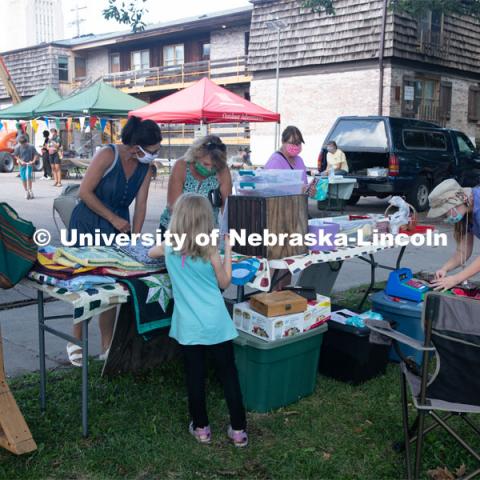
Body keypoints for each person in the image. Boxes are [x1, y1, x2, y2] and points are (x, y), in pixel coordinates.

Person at [149, 193, 248, 447]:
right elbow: (224, 283)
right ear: (207, 220)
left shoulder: (170, 246)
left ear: (178, 218)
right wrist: (228, 252)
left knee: (195, 376)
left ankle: (202, 428)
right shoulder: (211, 249)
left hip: (189, 326)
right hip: (217, 323)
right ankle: (238, 430)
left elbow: (151, 252)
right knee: (229, 375)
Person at [66, 116, 162, 367]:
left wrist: (135, 240)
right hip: (88, 221)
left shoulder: (144, 167)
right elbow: (84, 192)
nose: (154, 155)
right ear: (135, 147)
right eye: (152, 151)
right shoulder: (107, 155)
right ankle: (76, 339)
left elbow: (141, 205)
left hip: (118, 227)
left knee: (112, 284)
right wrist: (112, 218)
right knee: (88, 281)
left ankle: (106, 345)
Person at [159, 135, 232, 233]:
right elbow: (173, 205)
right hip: (176, 228)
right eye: (205, 164)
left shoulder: (223, 170)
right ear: (195, 156)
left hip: (207, 230)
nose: (209, 169)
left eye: (214, 166)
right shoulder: (181, 166)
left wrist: (225, 232)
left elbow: (226, 208)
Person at [426, 179, 480, 291]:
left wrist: (456, 279)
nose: (446, 217)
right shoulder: (466, 209)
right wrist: (445, 269)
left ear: (459, 200)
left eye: (446, 212)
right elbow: (463, 251)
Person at [13, 135, 39, 200]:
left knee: (28, 176)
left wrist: (33, 161)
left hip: (29, 163)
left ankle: (30, 190)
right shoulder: (18, 147)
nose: (23, 145)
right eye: (21, 144)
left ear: (26, 142)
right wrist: (20, 161)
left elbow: (36, 154)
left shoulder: (31, 146)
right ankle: (26, 191)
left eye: (24, 144)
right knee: (23, 178)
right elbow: (15, 156)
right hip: (22, 164)